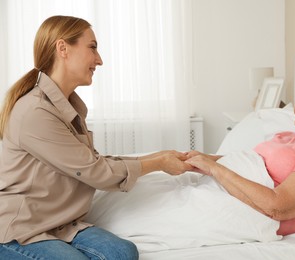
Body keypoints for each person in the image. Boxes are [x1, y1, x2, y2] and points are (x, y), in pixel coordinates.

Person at [0, 15, 192, 259]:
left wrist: (159, 156)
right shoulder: (36, 111)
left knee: (122, 252)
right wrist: (157, 164)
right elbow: (94, 171)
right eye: (92, 47)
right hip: (22, 231)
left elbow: (91, 160)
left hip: (62, 226)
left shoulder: (67, 106)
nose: (99, 60)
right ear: (63, 48)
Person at [185, 67, 295, 235]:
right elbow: (247, 162)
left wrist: (214, 169)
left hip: (241, 213)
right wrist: (204, 159)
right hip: (218, 190)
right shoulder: (288, 137)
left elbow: (278, 207)